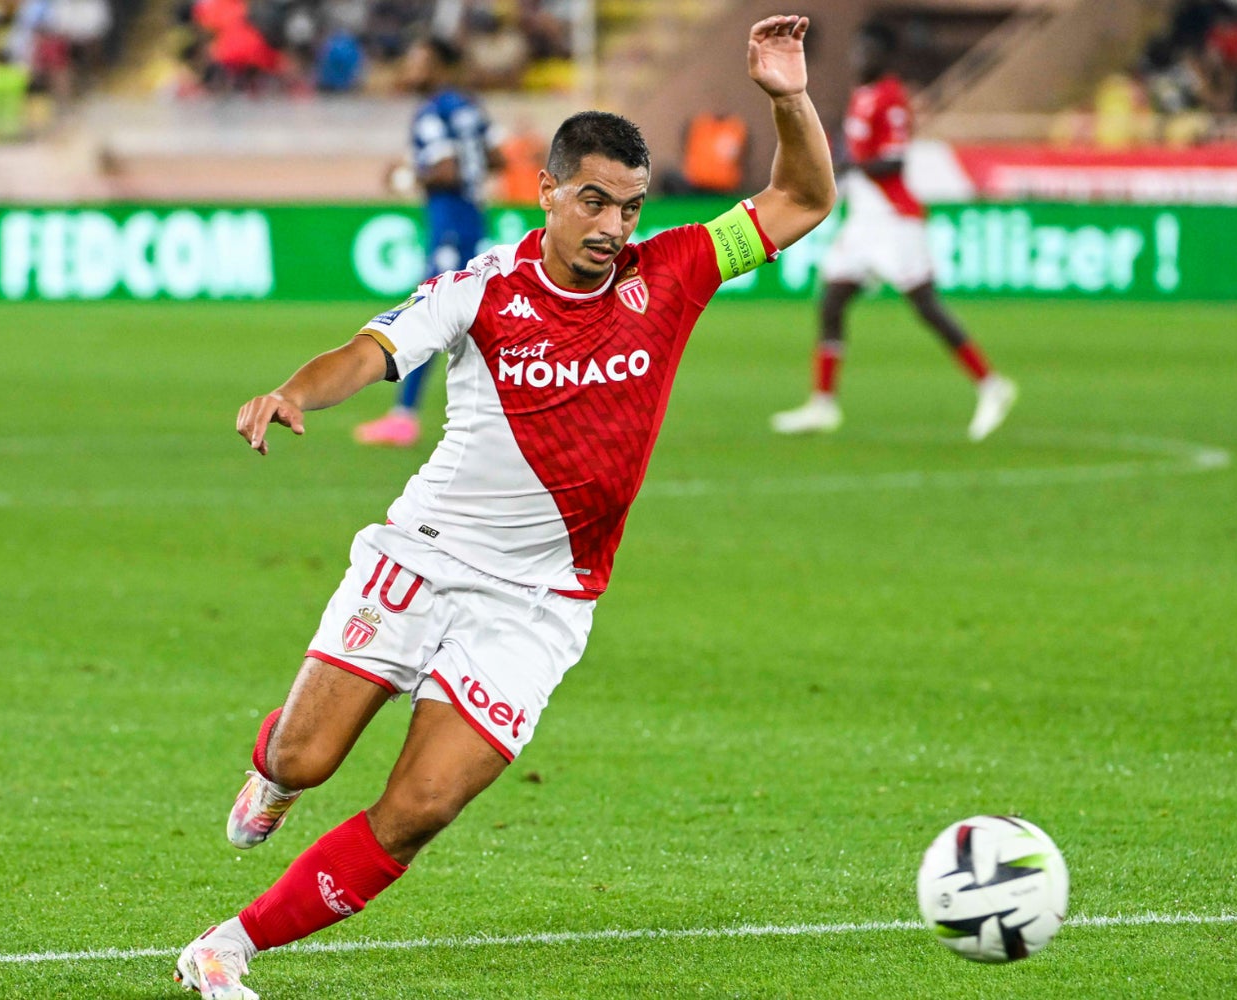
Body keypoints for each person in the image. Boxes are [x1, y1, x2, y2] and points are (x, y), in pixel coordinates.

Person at [176, 17, 835, 999]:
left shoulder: (675, 271)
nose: (613, 226)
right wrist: (292, 393)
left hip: (540, 603)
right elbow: (370, 351)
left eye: (629, 207)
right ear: (548, 192)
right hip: (425, 556)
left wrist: (784, 96)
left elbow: (802, 197)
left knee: (422, 804)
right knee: (307, 755)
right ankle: (269, 773)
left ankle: (225, 948)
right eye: (593, 202)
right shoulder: (482, 289)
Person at [770, 22, 1015, 441]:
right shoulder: (861, 96)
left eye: (867, 51)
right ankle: (823, 404)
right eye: (857, 50)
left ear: (883, 57)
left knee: (926, 307)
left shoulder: (891, 98)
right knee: (832, 301)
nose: (858, 58)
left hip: (893, 218)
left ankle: (991, 385)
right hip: (863, 217)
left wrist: (848, 167)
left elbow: (895, 162)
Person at [352, 35, 501, 448]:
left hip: (450, 224)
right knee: (472, 320)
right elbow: (498, 157)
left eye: (419, 61)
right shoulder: (470, 107)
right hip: (473, 218)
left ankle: (404, 417)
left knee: (431, 315)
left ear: (438, 67)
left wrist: (410, 176)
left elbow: (447, 170)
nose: (411, 70)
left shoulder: (432, 112)